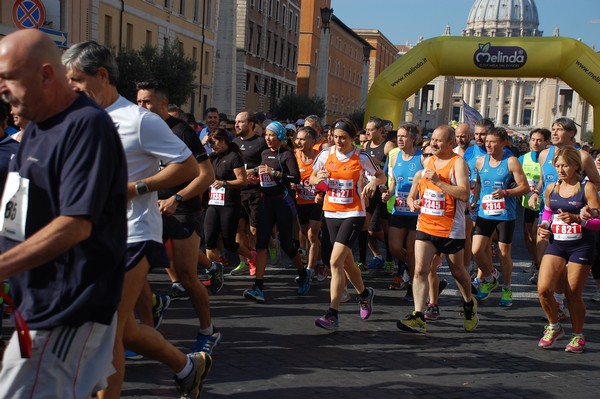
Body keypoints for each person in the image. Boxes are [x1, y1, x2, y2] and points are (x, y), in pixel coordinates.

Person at [62, 41, 210, 398]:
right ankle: (189, 366)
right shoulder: (74, 117)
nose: (70, 88)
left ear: (101, 75)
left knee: (107, 332)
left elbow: (188, 167)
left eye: (76, 79)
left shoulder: (139, 120)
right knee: (125, 329)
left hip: (133, 234)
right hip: (88, 236)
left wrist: (136, 188)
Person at [0, 29, 127, 398]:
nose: (2, 90)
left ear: (45, 75)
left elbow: (74, 225)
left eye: (8, 77)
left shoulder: (86, 126)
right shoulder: (37, 127)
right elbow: (17, 208)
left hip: (69, 305)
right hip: (35, 304)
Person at [135, 80, 222, 354]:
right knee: (135, 270)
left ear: (163, 103)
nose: (141, 107)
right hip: (150, 209)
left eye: (147, 102)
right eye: (138, 102)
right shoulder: (137, 130)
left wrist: (177, 198)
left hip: (183, 210)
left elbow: (207, 176)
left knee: (186, 275)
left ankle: (208, 330)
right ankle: (147, 330)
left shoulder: (182, 132)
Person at [398, 125, 478, 334]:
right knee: (420, 270)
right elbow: (419, 187)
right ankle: (418, 315)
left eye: (439, 140)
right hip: (425, 225)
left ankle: (469, 303)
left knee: (457, 272)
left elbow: (463, 194)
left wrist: (439, 182)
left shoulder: (458, 163)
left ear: (450, 144)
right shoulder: (427, 161)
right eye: (432, 139)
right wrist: (412, 201)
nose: (433, 143)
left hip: (451, 228)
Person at [310, 118, 383, 330]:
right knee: (348, 262)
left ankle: (332, 313)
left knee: (335, 262)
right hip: (331, 213)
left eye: (343, 138)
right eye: (335, 137)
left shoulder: (361, 156)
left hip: (353, 213)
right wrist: (318, 179)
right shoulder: (325, 154)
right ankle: (364, 293)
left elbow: (381, 176)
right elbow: (312, 177)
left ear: (352, 138)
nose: (338, 141)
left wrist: (371, 182)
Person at [537, 146, 599, 353]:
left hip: (581, 245)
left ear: (575, 166)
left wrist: (580, 220)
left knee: (573, 294)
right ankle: (554, 326)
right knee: (544, 289)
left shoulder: (586, 188)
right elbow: (548, 212)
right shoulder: (551, 187)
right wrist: (545, 226)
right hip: (557, 243)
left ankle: (577, 335)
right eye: (557, 166)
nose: (561, 170)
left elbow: (598, 220)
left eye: (565, 165)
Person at [242, 121, 308, 303]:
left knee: (287, 245)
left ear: (279, 136)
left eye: (272, 135)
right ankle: (258, 287)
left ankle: (303, 274)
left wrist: (276, 174)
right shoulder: (264, 153)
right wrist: (257, 178)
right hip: (266, 202)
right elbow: (264, 175)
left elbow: (296, 177)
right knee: (261, 244)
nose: (268, 139)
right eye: (266, 135)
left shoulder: (286, 154)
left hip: (283, 203)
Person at [472, 127, 529, 306]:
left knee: (504, 253)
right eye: (487, 141)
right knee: (476, 250)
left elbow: (525, 187)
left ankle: (507, 288)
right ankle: (490, 277)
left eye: (493, 141)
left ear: (503, 143)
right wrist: (475, 200)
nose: (488, 144)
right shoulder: (481, 161)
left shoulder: (511, 161)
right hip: (485, 213)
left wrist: (505, 192)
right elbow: (479, 183)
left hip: (505, 215)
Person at [204, 128, 257, 279]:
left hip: (229, 204)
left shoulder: (234, 157)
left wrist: (224, 183)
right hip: (213, 203)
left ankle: (251, 256)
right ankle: (212, 274)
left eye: (214, 143)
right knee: (210, 240)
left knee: (229, 243)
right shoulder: (212, 157)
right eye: (210, 143)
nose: (212, 146)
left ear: (223, 141)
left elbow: (243, 181)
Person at [382, 122, 423, 301]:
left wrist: (421, 199)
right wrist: (388, 193)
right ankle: (412, 266)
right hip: (399, 210)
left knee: (413, 251)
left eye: (403, 136)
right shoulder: (394, 157)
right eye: (398, 135)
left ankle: (413, 287)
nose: (399, 138)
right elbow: (394, 181)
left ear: (413, 138)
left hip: (416, 214)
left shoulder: (422, 158)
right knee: (395, 248)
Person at [230, 111, 267, 276]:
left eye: (240, 122)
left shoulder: (260, 143)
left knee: (253, 230)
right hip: (237, 191)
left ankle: (257, 258)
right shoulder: (234, 142)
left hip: (254, 192)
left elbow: (265, 165)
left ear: (251, 124)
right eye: (236, 121)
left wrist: (254, 175)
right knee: (238, 227)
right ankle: (244, 261)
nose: (236, 125)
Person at [363, 117, 395, 272]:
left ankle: (391, 255)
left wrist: (377, 162)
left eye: (371, 129)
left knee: (384, 228)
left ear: (380, 130)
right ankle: (378, 255)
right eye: (367, 129)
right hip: (369, 191)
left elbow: (392, 167)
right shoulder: (365, 145)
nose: (367, 132)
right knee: (366, 228)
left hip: (383, 191)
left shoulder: (388, 146)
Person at [294, 126, 325, 280]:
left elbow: (327, 179)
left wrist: (321, 192)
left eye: (302, 139)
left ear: (312, 141)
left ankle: (309, 270)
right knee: (307, 235)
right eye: (297, 138)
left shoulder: (320, 158)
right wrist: (292, 184)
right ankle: (319, 261)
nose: (298, 141)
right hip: (300, 201)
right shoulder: (294, 156)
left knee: (313, 234)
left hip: (316, 201)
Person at [518, 128, 550, 283]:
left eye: (539, 140)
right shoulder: (523, 158)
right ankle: (536, 262)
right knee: (528, 237)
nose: (535, 143)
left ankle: (540, 269)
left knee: (536, 235)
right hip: (528, 203)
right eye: (533, 139)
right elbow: (514, 175)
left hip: (543, 205)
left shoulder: (549, 158)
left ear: (546, 142)